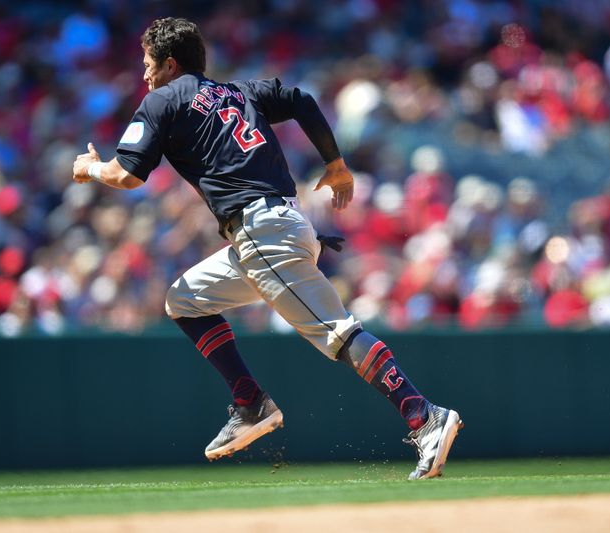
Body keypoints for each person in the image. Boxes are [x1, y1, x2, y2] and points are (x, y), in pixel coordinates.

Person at [72, 17, 462, 480]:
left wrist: (90, 169)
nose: (144, 74)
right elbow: (301, 99)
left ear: (170, 64)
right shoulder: (240, 92)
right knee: (184, 300)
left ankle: (423, 415)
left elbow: (126, 175)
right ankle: (250, 403)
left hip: (261, 232)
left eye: (148, 64)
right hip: (276, 225)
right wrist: (335, 164)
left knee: (337, 334)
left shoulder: (163, 99)